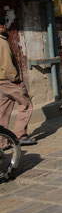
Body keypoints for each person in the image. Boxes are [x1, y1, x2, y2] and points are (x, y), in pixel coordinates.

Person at [0, 16, 36, 146]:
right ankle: (20, 135)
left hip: (1, 83)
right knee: (26, 105)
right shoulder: (3, 43)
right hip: (9, 81)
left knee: (3, 112)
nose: (6, 28)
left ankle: (2, 141)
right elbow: (8, 66)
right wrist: (17, 80)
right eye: (4, 25)